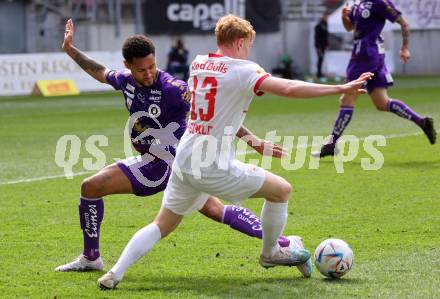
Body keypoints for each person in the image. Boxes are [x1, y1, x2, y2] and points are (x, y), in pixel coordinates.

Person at [97, 14, 373, 289]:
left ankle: (115, 272)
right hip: (212, 164)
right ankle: (271, 253)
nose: (249, 50)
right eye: (249, 44)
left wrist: (251, 139)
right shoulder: (244, 69)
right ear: (241, 42)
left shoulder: (198, 63)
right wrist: (340, 87)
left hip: (184, 158)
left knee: (161, 225)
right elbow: (287, 87)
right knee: (282, 190)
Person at [55, 19, 310, 275]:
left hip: (164, 164)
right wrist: (71, 50)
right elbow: (100, 72)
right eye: (142, 69)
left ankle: (91, 258)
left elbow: (209, 115)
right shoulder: (125, 81)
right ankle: (285, 244)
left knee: (91, 186)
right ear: (128, 67)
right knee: (214, 209)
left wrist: (252, 140)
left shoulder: (173, 89)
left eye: (152, 66)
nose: (149, 73)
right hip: (183, 165)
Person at [314, 0, 436, 158]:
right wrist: (345, 18)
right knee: (382, 102)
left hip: (365, 55)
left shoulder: (380, 2)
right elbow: (350, 28)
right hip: (372, 55)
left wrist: (405, 47)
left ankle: (331, 144)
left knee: (347, 97)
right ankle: (422, 122)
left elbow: (404, 23)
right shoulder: (359, 3)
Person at [314, 12, 329, 80]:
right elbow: (317, 37)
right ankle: (318, 74)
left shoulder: (325, 24)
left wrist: (326, 44)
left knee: (321, 59)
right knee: (320, 59)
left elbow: (325, 36)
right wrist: (318, 47)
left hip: (323, 46)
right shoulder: (319, 25)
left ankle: (320, 73)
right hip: (319, 46)